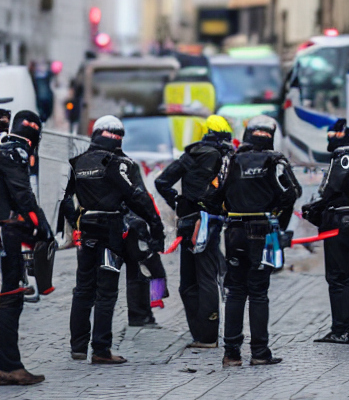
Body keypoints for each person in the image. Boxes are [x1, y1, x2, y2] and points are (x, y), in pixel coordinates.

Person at [60, 115, 164, 364]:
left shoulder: (78, 162)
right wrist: (155, 224)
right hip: (110, 232)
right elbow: (136, 196)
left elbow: (65, 198)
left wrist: (76, 219)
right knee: (106, 291)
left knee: (83, 289)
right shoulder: (118, 163)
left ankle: (77, 347)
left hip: (86, 233)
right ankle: (101, 350)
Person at [221, 115, 302, 366]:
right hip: (263, 231)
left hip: (234, 231)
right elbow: (293, 192)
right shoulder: (275, 161)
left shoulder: (231, 160)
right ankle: (259, 352)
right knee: (258, 292)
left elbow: (213, 193)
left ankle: (231, 354)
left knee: (235, 291)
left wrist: (229, 211)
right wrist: (279, 220)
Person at [155, 115, 233, 348]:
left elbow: (162, 182)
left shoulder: (193, 154)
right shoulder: (229, 157)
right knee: (207, 276)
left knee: (188, 282)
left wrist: (178, 203)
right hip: (212, 221)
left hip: (189, 222)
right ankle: (207, 335)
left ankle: (201, 335)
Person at [302, 118, 349, 344]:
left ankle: (340, 330)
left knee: (337, 278)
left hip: (339, 224)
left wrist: (313, 208)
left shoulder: (342, 158)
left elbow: (329, 189)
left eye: (330, 136)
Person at [0, 110, 52, 385]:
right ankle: (10, 367)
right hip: (4, 235)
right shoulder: (15, 152)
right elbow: (23, 194)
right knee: (10, 297)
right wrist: (42, 229)